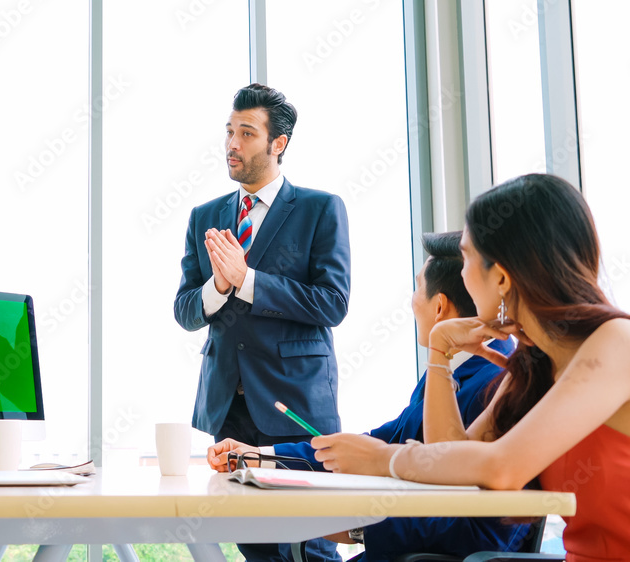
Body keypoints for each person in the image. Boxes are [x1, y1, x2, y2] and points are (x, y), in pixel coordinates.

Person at [312, 174, 630, 561]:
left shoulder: (617, 342)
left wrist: (383, 459)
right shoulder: (535, 367)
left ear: (500, 276)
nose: (460, 274)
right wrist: (440, 350)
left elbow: (502, 468)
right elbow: (453, 461)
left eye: (465, 257)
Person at [209, 231, 538, 560]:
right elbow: (379, 443)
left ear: (439, 306)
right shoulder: (453, 372)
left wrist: (359, 527)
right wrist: (263, 456)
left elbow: (463, 513)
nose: (412, 300)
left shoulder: (496, 382)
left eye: (416, 287)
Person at [174, 83, 351, 562]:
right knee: (254, 546)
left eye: (246, 133)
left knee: (307, 547)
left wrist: (248, 279)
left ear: (279, 144)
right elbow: (186, 309)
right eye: (229, 131)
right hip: (227, 408)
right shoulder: (205, 216)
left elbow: (332, 303)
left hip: (293, 403)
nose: (232, 144)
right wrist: (221, 286)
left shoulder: (319, 208)